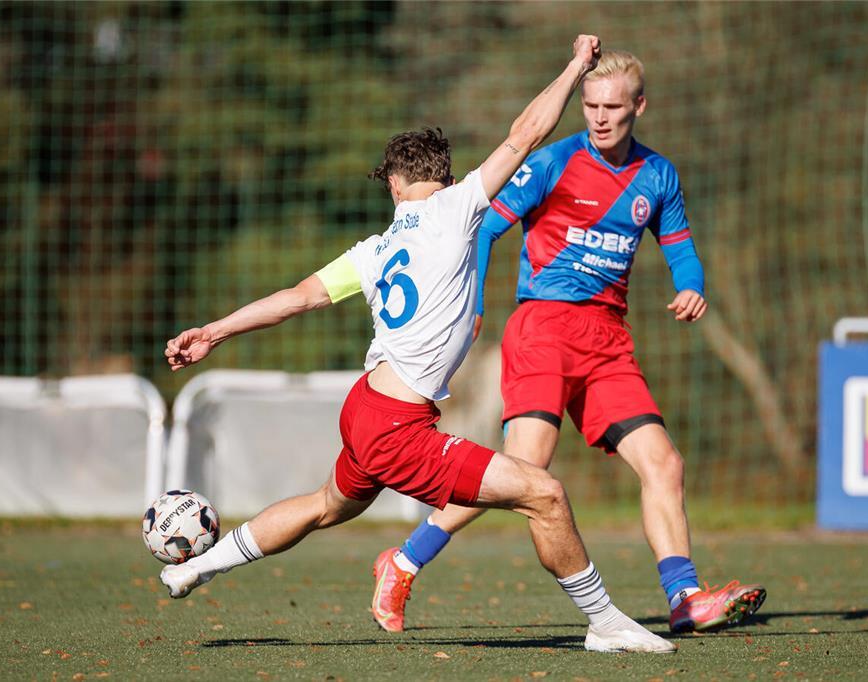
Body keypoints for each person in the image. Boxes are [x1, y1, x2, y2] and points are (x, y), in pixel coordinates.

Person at [159, 35, 676, 654]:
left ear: (396, 184)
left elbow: (296, 298)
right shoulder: (458, 208)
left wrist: (213, 330)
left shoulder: (374, 251)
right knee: (545, 494)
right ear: (444, 178)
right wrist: (574, 67)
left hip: (365, 408)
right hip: (399, 428)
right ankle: (604, 622)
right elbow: (526, 133)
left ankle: (195, 565)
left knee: (327, 505)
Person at [374, 49, 765, 635]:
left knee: (665, 463)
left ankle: (684, 598)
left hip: (608, 340)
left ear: (639, 105)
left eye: (612, 106)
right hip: (544, 330)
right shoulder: (553, 162)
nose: (600, 117)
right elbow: (484, 232)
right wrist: (474, 305)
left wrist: (691, 287)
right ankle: (403, 562)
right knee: (524, 468)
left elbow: (680, 247)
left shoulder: (657, 175)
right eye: (590, 106)